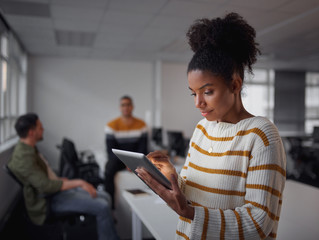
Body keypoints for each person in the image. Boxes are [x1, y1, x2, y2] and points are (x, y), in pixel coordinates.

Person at [136, 12, 286, 239]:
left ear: (235, 85)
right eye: (193, 93)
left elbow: (258, 223)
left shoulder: (261, 135)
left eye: (207, 91)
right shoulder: (202, 129)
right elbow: (192, 195)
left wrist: (189, 212)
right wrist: (170, 177)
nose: (198, 103)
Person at [8, 113, 119, 240]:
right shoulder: (24, 157)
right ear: (31, 132)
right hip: (47, 202)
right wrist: (79, 183)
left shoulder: (28, 148)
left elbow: (41, 178)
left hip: (55, 192)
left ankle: (110, 232)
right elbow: (45, 186)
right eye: (40, 127)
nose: (43, 129)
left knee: (105, 196)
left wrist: (62, 181)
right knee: (102, 206)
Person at [105, 95, 148, 207]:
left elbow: (143, 149)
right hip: (118, 160)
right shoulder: (111, 126)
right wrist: (126, 163)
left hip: (136, 158)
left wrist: (134, 162)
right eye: (123, 105)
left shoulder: (141, 125)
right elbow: (111, 151)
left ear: (132, 107)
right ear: (120, 107)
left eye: (128, 105)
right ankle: (110, 206)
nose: (126, 107)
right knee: (108, 170)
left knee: (152, 168)